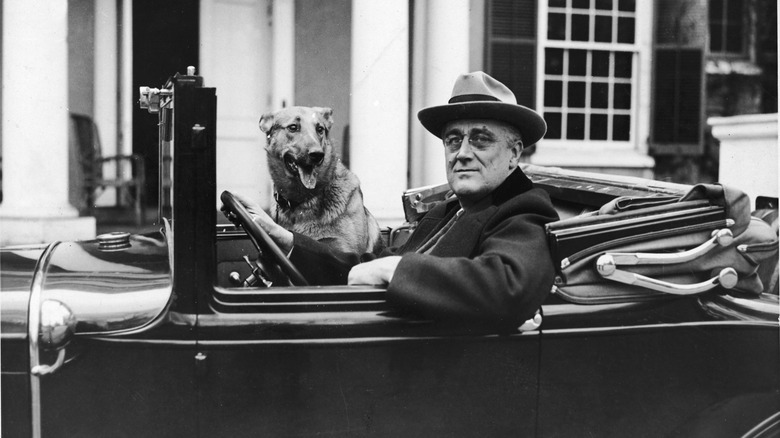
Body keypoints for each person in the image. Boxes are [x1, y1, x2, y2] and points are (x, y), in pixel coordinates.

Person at [232, 71, 559, 329]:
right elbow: (366, 267)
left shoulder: (524, 209)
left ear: (514, 153)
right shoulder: (447, 211)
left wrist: (396, 269)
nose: (462, 154)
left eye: (481, 139)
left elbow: (508, 287)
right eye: (453, 140)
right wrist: (288, 241)